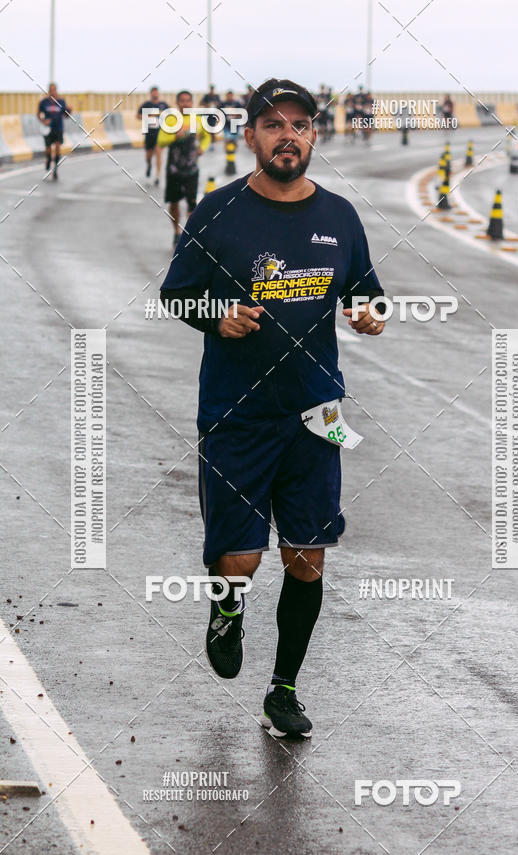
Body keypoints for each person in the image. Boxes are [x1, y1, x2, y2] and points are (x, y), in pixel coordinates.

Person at [159, 77, 385, 739]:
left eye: (300, 125)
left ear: (314, 136)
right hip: (236, 413)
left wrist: (369, 313)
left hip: (318, 413)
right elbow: (176, 294)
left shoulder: (340, 216)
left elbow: (366, 292)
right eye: (274, 125)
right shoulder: (218, 212)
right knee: (239, 560)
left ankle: (283, 689)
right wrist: (214, 316)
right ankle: (226, 610)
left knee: (307, 554)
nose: (288, 135)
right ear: (251, 136)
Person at [157, 91, 211, 247]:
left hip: (191, 169)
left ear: (192, 103)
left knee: (192, 203)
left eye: (188, 101)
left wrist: (203, 148)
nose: (185, 104)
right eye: (182, 101)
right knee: (174, 202)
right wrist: (175, 136)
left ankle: (188, 234)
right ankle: (176, 231)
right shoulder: (171, 120)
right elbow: (160, 141)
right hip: (174, 169)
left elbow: (207, 136)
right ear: (177, 103)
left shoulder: (198, 120)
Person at [37, 83, 71, 180]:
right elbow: (38, 114)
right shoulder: (44, 102)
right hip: (47, 129)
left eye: (54, 90)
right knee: (48, 149)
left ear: (56, 91)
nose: (52, 92)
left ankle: (55, 168)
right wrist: (43, 121)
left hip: (58, 128)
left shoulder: (61, 101)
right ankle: (48, 159)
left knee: (57, 148)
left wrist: (69, 110)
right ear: (48, 91)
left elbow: (66, 115)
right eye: (51, 90)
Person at [137, 86, 169, 184]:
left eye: (156, 92)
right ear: (151, 94)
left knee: (159, 154)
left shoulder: (164, 105)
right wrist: (148, 116)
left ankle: (158, 176)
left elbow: (171, 114)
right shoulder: (146, 105)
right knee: (149, 155)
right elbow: (138, 115)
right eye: (153, 92)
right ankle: (149, 166)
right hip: (149, 132)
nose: (155, 94)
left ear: (158, 93)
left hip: (160, 133)